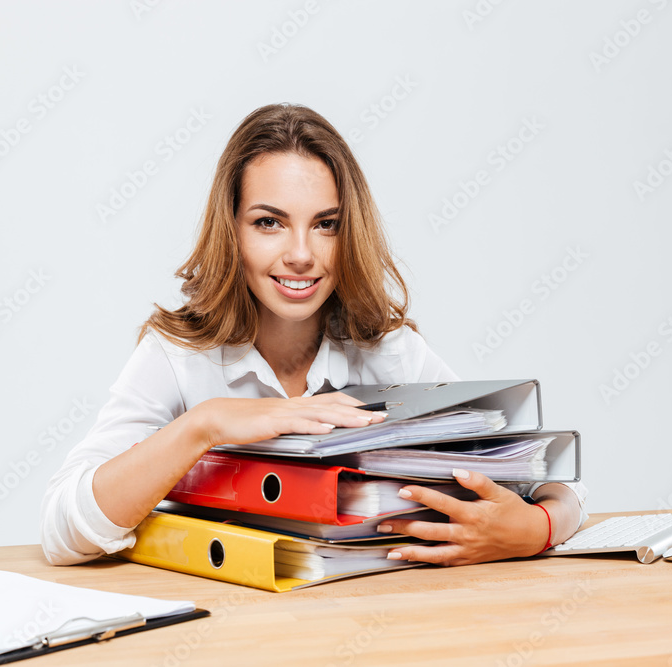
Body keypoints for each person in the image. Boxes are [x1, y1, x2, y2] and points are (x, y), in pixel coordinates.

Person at [41, 103, 585, 567]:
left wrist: (537, 527)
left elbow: (538, 476)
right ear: (230, 230)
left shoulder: (389, 352)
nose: (301, 254)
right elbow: (63, 529)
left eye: (326, 224)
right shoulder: (179, 357)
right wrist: (202, 425)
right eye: (269, 222)